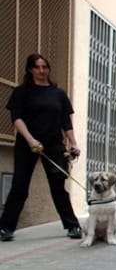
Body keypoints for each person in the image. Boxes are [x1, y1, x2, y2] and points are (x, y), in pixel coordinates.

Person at [0, 53, 82, 242]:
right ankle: (5, 228)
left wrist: (74, 143)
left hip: (54, 144)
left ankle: (72, 225)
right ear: (30, 69)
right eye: (37, 67)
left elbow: (66, 122)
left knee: (58, 186)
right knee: (20, 186)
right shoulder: (21, 92)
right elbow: (16, 119)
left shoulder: (58, 94)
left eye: (44, 67)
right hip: (27, 144)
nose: (41, 71)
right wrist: (31, 140)